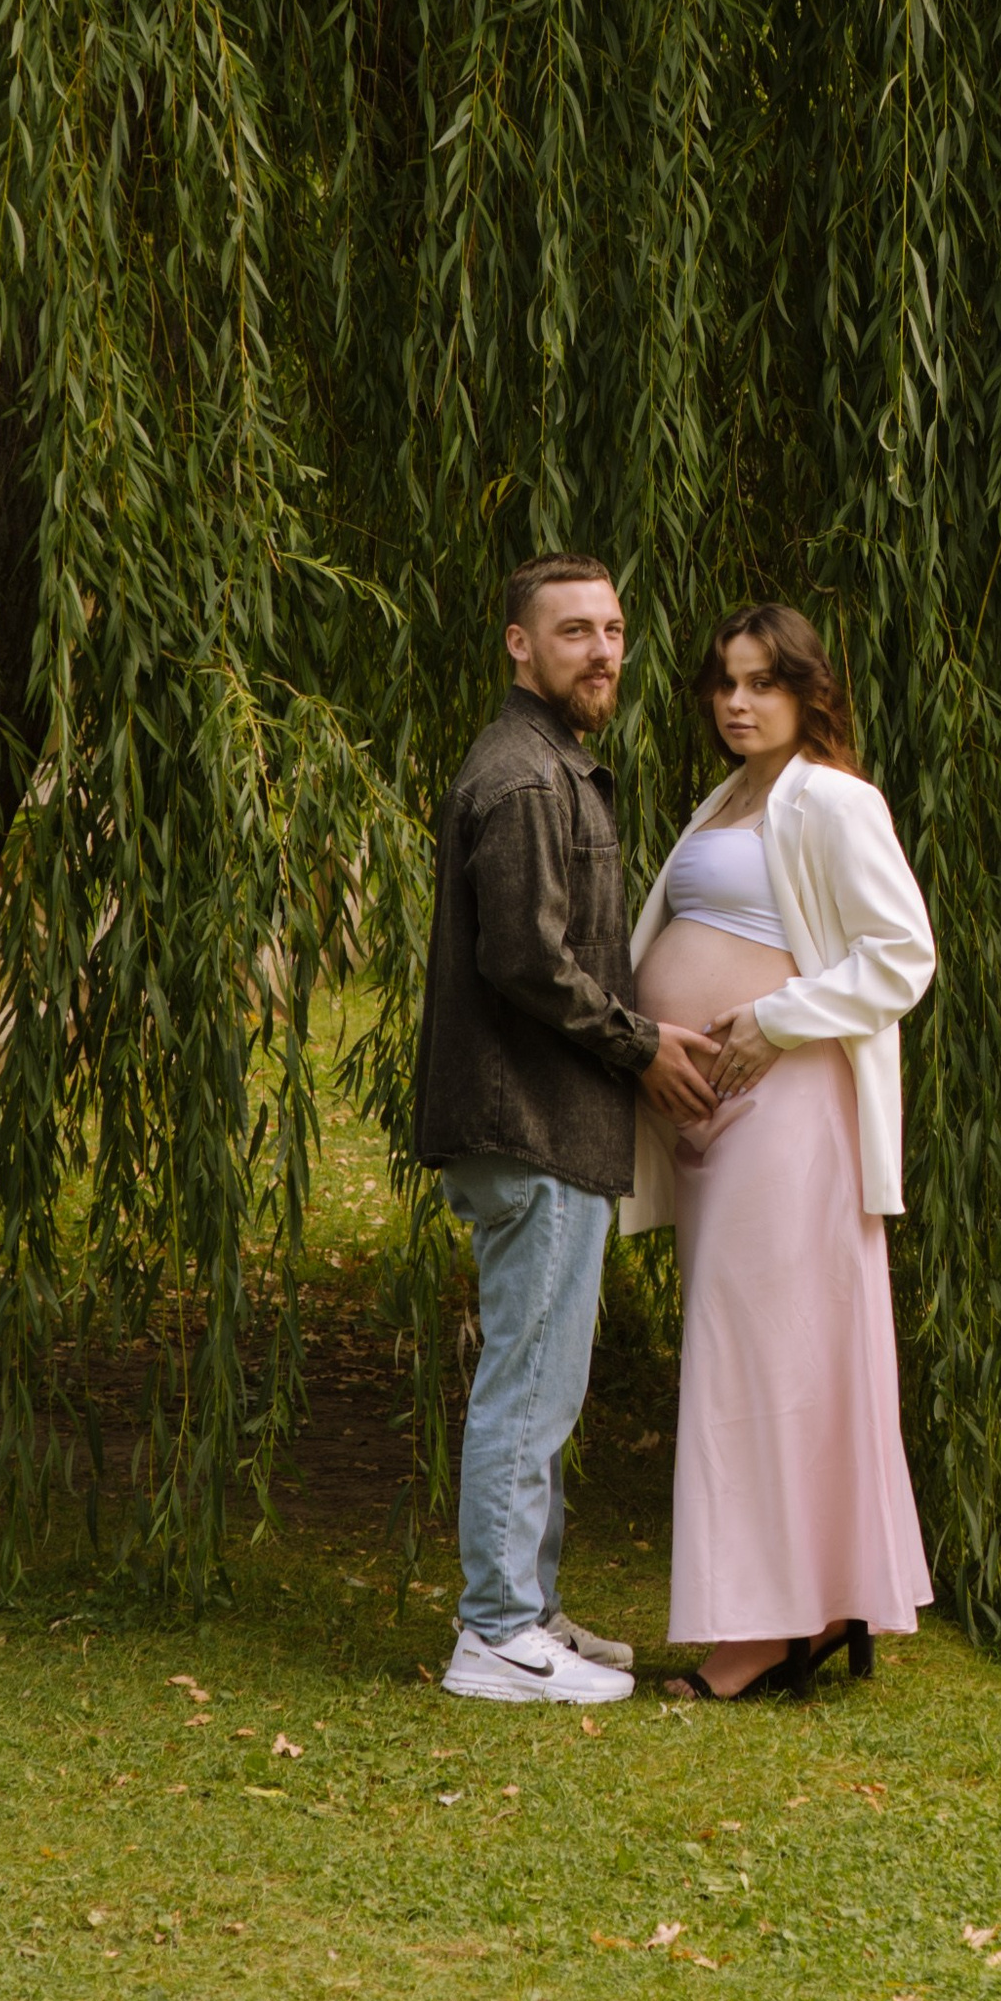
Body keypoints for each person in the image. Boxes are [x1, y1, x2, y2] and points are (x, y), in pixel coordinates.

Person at [412, 557, 718, 1706]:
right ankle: (493, 1635)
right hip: (528, 1122)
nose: (602, 652)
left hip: (550, 1125)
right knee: (529, 1383)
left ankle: (528, 1612)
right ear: (517, 648)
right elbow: (524, 958)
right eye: (574, 631)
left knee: (547, 1382)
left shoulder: (551, 766)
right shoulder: (530, 780)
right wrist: (643, 1045)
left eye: (614, 630)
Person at [627, 603, 937, 1698]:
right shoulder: (727, 799)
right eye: (724, 684)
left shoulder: (835, 800)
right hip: (715, 1120)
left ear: (808, 691)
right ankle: (812, 1604)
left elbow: (903, 955)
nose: (738, 703)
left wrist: (778, 1016)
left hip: (790, 1108)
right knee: (764, 1351)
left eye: (762, 683)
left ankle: (765, 1632)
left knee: (760, 1355)